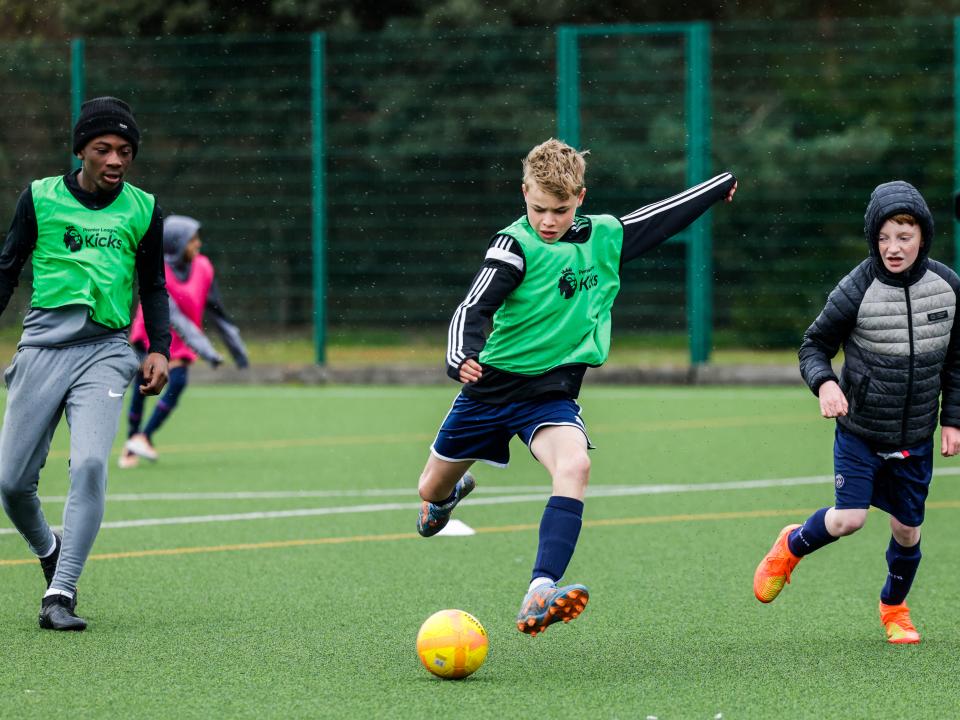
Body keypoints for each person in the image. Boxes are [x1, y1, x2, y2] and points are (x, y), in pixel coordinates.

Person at [416, 138, 737, 636]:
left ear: (580, 198)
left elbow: (657, 218)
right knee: (429, 488)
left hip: (550, 393)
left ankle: (540, 589)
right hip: (489, 390)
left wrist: (715, 189)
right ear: (524, 193)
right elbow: (471, 308)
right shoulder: (512, 247)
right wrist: (461, 355)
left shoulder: (601, 238)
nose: (548, 220)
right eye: (539, 208)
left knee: (576, 464)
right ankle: (447, 495)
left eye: (560, 210)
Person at [753, 180, 960, 644]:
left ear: (922, 236)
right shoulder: (857, 286)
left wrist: (953, 419)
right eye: (884, 237)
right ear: (873, 237)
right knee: (849, 520)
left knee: (908, 532)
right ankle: (791, 546)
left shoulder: (947, 287)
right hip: (861, 430)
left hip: (914, 435)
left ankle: (894, 608)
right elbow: (814, 345)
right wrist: (825, 383)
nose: (893, 248)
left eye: (904, 237)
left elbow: (957, 359)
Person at [0, 97, 170, 631]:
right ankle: (48, 548)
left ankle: (61, 593)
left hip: (107, 352)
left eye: (125, 151)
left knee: (92, 464)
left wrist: (159, 348)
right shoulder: (40, 199)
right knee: (10, 483)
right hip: (43, 348)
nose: (116, 159)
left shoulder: (144, 209)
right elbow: (6, 269)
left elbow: (155, 286)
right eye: (104, 149)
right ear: (81, 152)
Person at [119, 214, 249, 467]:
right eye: (192, 240)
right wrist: (207, 350)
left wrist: (236, 348)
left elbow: (216, 310)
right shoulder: (159, 269)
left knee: (176, 383)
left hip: (184, 339)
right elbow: (176, 318)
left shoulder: (203, 267)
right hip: (152, 333)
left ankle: (143, 438)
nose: (197, 244)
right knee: (143, 387)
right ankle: (132, 443)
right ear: (175, 243)